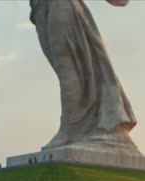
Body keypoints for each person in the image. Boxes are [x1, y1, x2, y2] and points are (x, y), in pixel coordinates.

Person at [29, 0, 137, 150]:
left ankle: (69, 130)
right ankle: (73, 129)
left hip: (61, 5)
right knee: (66, 72)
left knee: (67, 68)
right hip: (39, 9)